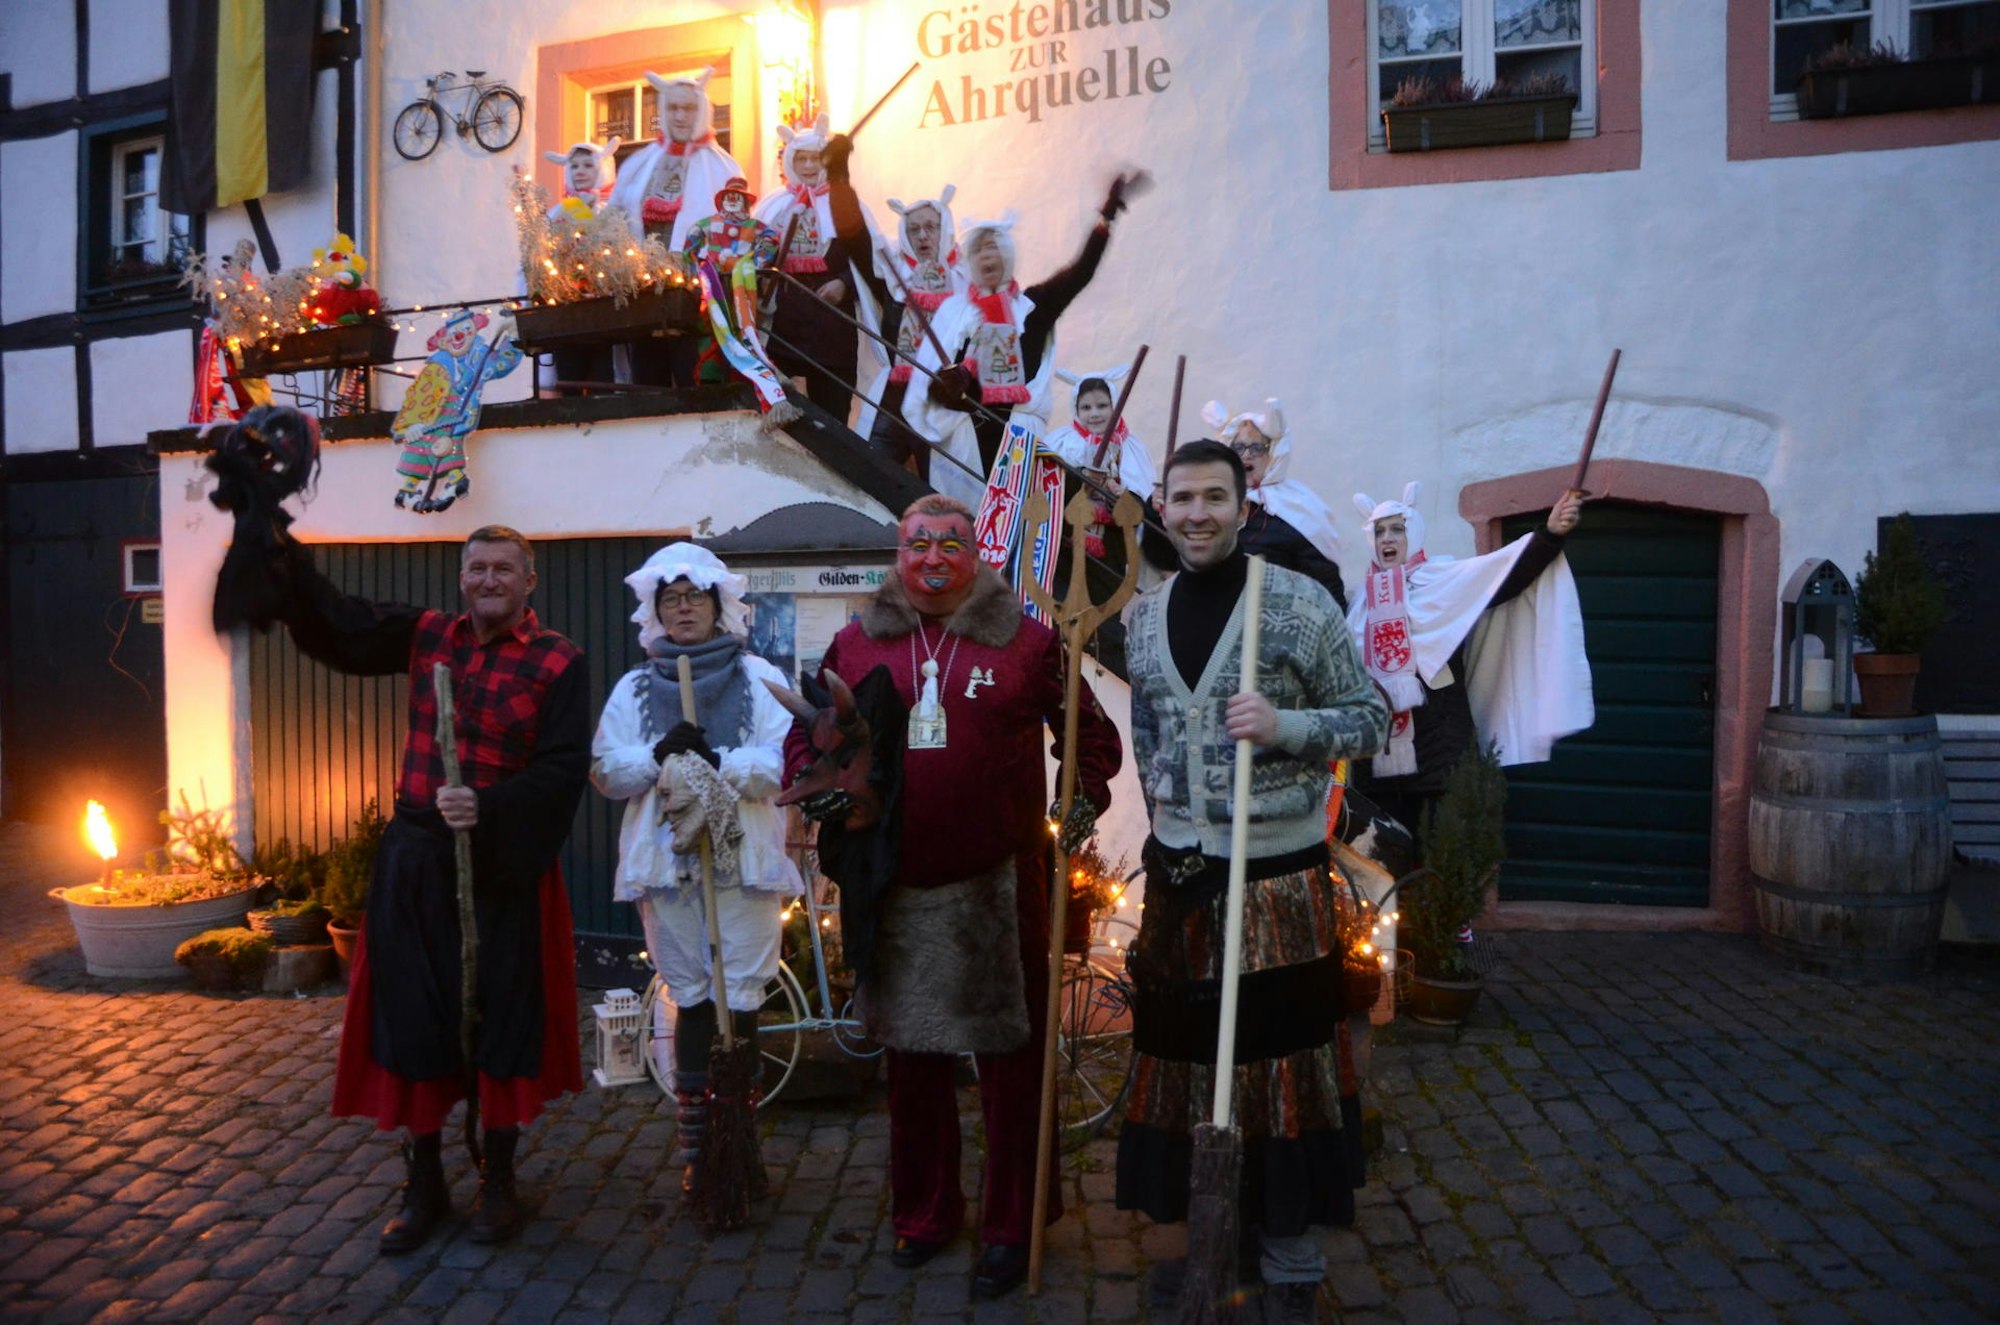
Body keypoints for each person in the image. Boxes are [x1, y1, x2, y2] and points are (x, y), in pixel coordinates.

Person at [783, 493, 1122, 1299]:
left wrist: (1073, 809)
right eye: (917, 543)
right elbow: (813, 737)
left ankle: (1013, 1222)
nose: (933, 557)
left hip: (999, 884)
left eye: (950, 543)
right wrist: (822, 787)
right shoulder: (859, 641)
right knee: (913, 1063)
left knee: (1013, 1067)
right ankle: (926, 1211)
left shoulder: (1029, 641)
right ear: (898, 556)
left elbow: (1094, 742)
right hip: (894, 886)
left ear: (977, 554)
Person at [1117, 440, 1388, 1324]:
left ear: (1244, 505)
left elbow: (1371, 718)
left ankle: (1288, 1247)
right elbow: (1151, 735)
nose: (1195, 513)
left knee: (1281, 1063)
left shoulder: (1298, 606)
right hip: (1181, 878)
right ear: (1162, 505)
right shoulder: (1144, 617)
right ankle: (1213, 1231)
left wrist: (1286, 723)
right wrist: (1168, 822)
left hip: (1276, 879)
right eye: (1180, 498)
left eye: (1213, 498)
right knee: (1191, 1059)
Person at [274, 525, 590, 1253]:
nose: (488, 579)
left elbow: (564, 767)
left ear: (529, 580)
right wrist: (281, 555)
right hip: (415, 862)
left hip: (504, 866)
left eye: (503, 568)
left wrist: (489, 807)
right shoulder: (424, 637)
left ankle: (499, 1182)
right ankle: (423, 1184)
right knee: (413, 1014)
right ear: (460, 577)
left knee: (501, 1016)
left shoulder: (559, 660)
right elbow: (342, 626)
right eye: (476, 567)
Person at [590, 543, 804, 1189]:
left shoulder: (760, 676)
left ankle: (739, 1148)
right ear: (656, 610)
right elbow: (605, 770)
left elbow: (782, 760)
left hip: (744, 861)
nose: (684, 608)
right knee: (693, 999)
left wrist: (717, 761)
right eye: (672, 599)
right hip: (669, 864)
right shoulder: (633, 686)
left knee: (739, 999)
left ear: (719, 604)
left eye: (696, 597)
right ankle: (697, 1153)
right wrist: (660, 756)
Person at [1345, 481, 1592, 858]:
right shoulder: (1360, 603)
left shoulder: (1442, 580)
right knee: (1386, 865)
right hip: (1377, 767)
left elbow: (1502, 577)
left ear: (1414, 531)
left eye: (1397, 528)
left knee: (1442, 864)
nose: (1388, 538)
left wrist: (1549, 535)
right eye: (1379, 531)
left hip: (1438, 756)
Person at [903, 175, 1143, 509]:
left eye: (994, 247)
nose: (987, 256)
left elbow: (1079, 273)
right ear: (970, 259)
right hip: (963, 439)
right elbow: (925, 384)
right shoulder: (954, 313)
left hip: (1016, 439)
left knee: (1011, 532)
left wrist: (1105, 220)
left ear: (1008, 254)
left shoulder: (1033, 307)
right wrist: (944, 386)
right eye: (979, 249)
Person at [606, 69, 743, 387]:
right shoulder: (639, 164)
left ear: (702, 111)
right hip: (644, 299)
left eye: (689, 108)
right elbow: (615, 222)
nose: (681, 116)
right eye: (673, 108)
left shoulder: (724, 167)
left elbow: (737, 233)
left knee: (692, 380)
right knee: (647, 384)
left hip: (696, 299)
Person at [752, 113, 881, 421]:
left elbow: (869, 256)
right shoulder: (773, 206)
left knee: (832, 416)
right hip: (785, 328)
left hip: (833, 328)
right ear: (790, 163)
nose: (809, 167)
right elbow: (753, 259)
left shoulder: (845, 203)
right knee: (783, 418)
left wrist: (845, 284)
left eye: (816, 159)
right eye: (802, 160)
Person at [1193, 399, 1348, 613]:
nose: (1246, 454)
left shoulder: (1296, 506)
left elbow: (1325, 586)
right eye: (1238, 447)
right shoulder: (1213, 500)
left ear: (1273, 454)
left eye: (1257, 447)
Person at [539, 139, 622, 393]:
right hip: (568, 310)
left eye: (588, 164)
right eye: (574, 166)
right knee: (570, 379)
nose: (580, 171)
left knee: (604, 380)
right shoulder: (558, 213)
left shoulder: (613, 210)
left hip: (605, 310)